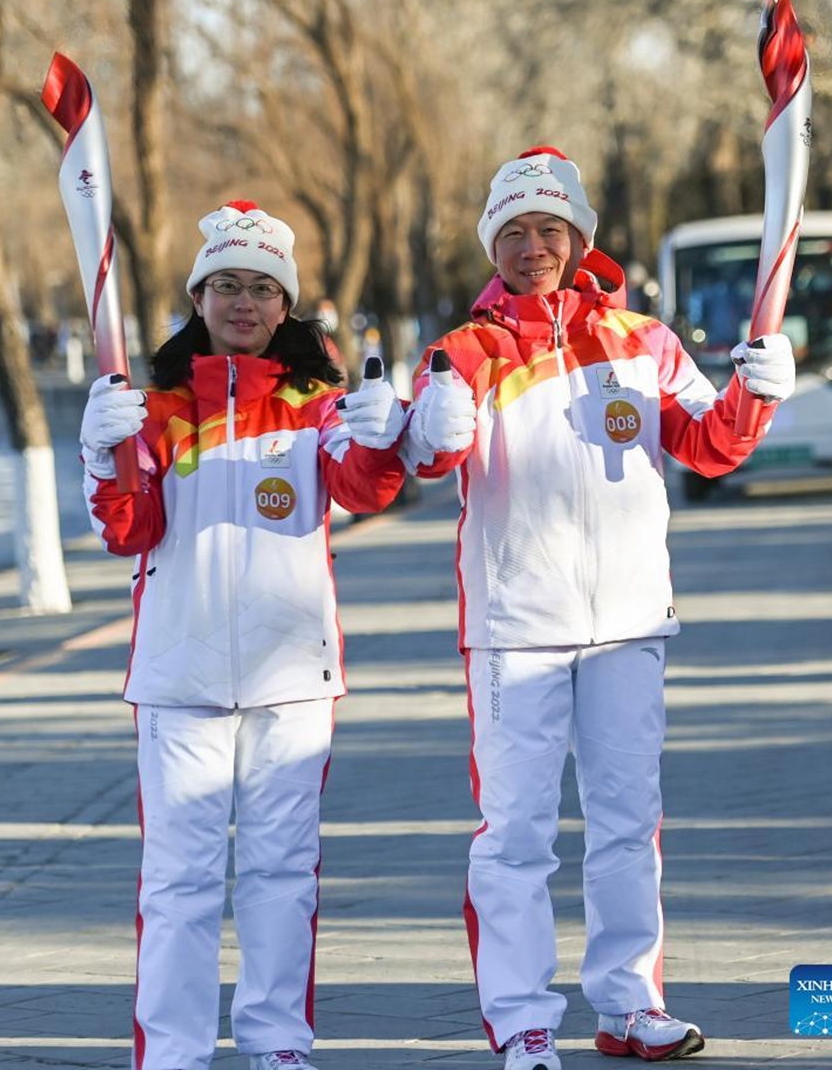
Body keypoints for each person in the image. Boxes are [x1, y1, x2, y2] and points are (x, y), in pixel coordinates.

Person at [392, 147, 795, 1066]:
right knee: (517, 835)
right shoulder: (466, 350)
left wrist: (756, 394)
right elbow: (418, 461)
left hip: (626, 623)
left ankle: (629, 1004)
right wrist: (431, 428)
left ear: (577, 238)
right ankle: (524, 1021)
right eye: (516, 232)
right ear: (494, 244)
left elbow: (710, 445)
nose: (534, 247)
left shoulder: (643, 340)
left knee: (626, 822)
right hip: (514, 633)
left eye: (550, 230)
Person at [78, 200, 408, 1070]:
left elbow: (365, 489)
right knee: (178, 884)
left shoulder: (317, 406)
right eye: (226, 285)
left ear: (285, 306)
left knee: (280, 877)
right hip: (179, 678)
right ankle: (176, 1053)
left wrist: (385, 436)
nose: (244, 303)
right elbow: (129, 531)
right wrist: (97, 456)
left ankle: (277, 1044)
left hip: (292, 676)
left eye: (263, 289)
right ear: (199, 297)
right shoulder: (152, 409)